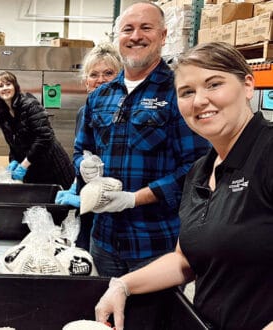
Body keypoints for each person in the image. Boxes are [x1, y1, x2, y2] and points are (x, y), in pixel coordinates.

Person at [95, 42, 273, 330]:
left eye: (214, 84)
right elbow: (185, 259)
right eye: (187, 92)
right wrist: (123, 285)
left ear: (248, 85)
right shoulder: (200, 171)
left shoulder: (267, 152)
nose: (199, 101)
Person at [73, 1, 210, 277]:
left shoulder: (180, 93)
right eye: (128, 29)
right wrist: (83, 165)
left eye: (146, 28)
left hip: (156, 244)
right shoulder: (101, 96)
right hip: (103, 241)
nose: (135, 36)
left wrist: (134, 199)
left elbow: (198, 168)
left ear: (162, 36)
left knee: (153, 320)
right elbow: (81, 149)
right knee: (107, 317)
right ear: (118, 38)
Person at [56, 42, 122, 249]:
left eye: (108, 73)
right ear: (86, 81)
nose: (100, 80)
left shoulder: (126, 112)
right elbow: (81, 152)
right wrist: (78, 184)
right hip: (88, 200)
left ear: (121, 77)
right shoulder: (83, 113)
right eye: (93, 75)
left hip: (117, 201)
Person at [0, 70, 75, 189]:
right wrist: (14, 161)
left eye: (8, 84)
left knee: (56, 203)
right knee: (36, 204)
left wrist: (24, 165)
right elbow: (13, 144)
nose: (5, 88)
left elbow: (45, 137)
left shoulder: (30, 105)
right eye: (0, 86)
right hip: (32, 170)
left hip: (51, 165)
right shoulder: (2, 114)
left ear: (15, 86)